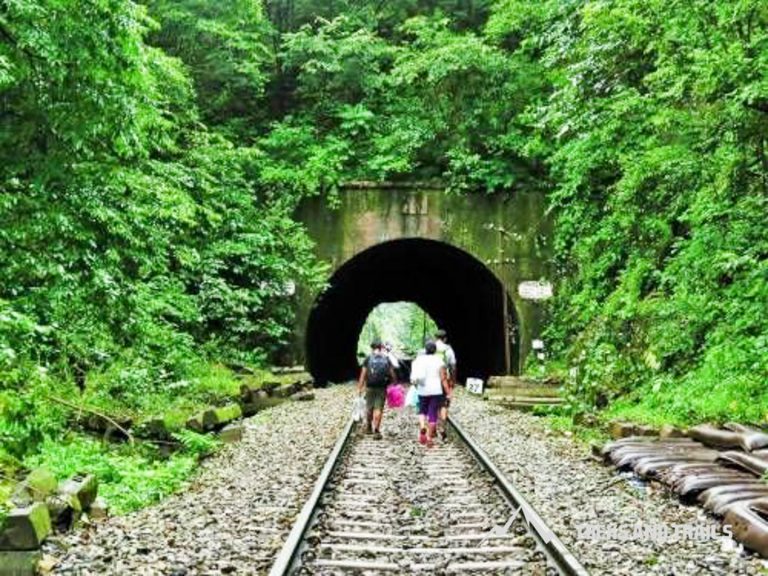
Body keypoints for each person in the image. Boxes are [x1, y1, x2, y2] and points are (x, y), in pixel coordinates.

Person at [410, 340, 448, 447]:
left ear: (425, 349)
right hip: (436, 390)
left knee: (422, 411)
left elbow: (415, 375)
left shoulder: (419, 359)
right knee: (433, 415)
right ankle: (430, 438)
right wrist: (448, 390)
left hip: (422, 389)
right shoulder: (439, 360)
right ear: (435, 350)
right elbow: (443, 377)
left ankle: (422, 426)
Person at [357, 339, 396, 439]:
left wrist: (360, 388)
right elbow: (392, 374)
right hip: (382, 387)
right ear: (381, 347)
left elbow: (363, 375)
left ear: (372, 347)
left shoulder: (368, 358)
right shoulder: (386, 358)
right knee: (378, 408)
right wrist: (394, 383)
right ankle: (377, 430)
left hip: (370, 387)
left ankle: (369, 427)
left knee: (369, 407)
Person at [435, 329, 457, 440]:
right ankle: (442, 428)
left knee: (432, 404)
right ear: (445, 338)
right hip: (443, 380)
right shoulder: (448, 350)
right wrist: (453, 380)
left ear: (435, 337)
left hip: (431, 380)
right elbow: (453, 366)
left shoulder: (429, 348)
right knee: (443, 404)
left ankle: (432, 428)